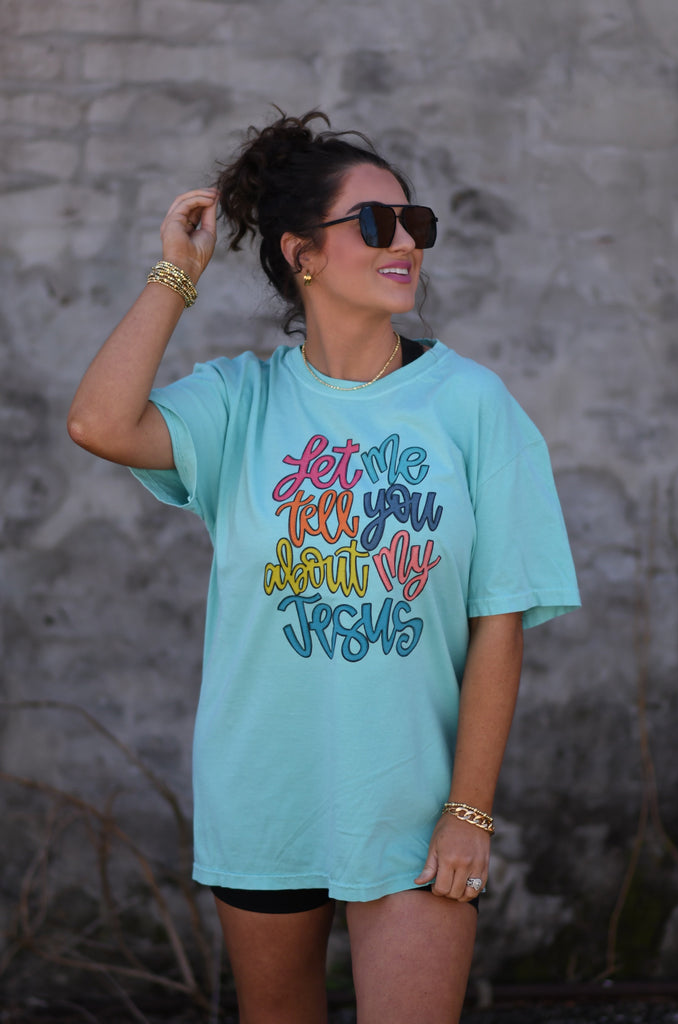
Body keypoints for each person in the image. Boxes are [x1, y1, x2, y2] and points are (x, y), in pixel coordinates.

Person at [68, 109, 580, 1024]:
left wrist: (469, 812)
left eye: (415, 223)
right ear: (302, 253)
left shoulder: (471, 404)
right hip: (265, 797)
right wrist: (176, 275)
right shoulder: (239, 401)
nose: (405, 243)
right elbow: (99, 422)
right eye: (377, 223)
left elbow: (498, 621)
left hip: (414, 807)